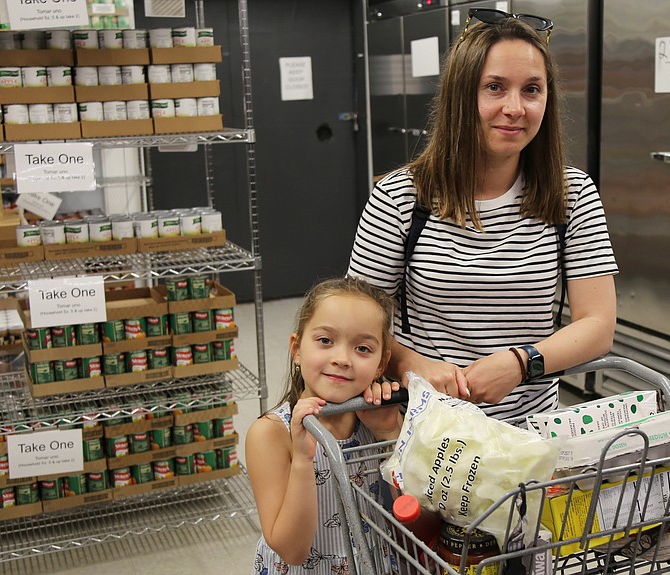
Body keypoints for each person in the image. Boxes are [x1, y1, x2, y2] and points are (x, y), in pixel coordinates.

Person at [348, 9, 618, 421]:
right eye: (494, 87)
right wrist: (411, 364)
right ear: (461, 95)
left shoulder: (571, 194)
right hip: (427, 432)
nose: (515, 108)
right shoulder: (401, 196)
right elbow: (355, 322)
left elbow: (597, 323)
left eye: (532, 90)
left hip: (530, 438)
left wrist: (522, 362)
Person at [247, 277, 403, 575]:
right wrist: (303, 460)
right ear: (296, 349)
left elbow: (415, 520)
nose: (342, 359)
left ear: (382, 364)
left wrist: (390, 435)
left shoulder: (379, 420)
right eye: (325, 341)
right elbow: (291, 551)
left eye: (362, 348)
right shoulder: (270, 434)